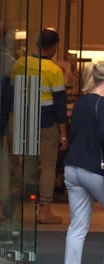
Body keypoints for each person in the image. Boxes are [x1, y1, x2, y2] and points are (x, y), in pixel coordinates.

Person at [11, 28, 68, 224]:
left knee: (26, 164)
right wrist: (63, 134)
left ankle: (11, 203)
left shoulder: (20, 64)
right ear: (54, 47)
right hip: (46, 124)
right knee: (48, 166)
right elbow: (60, 106)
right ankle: (44, 210)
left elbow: (13, 92)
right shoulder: (54, 70)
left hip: (24, 122)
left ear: (37, 44)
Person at [64, 62, 104, 264]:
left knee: (77, 228)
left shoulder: (81, 103)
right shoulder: (102, 104)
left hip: (72, 168)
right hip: (94, 169)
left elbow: (74, 134)